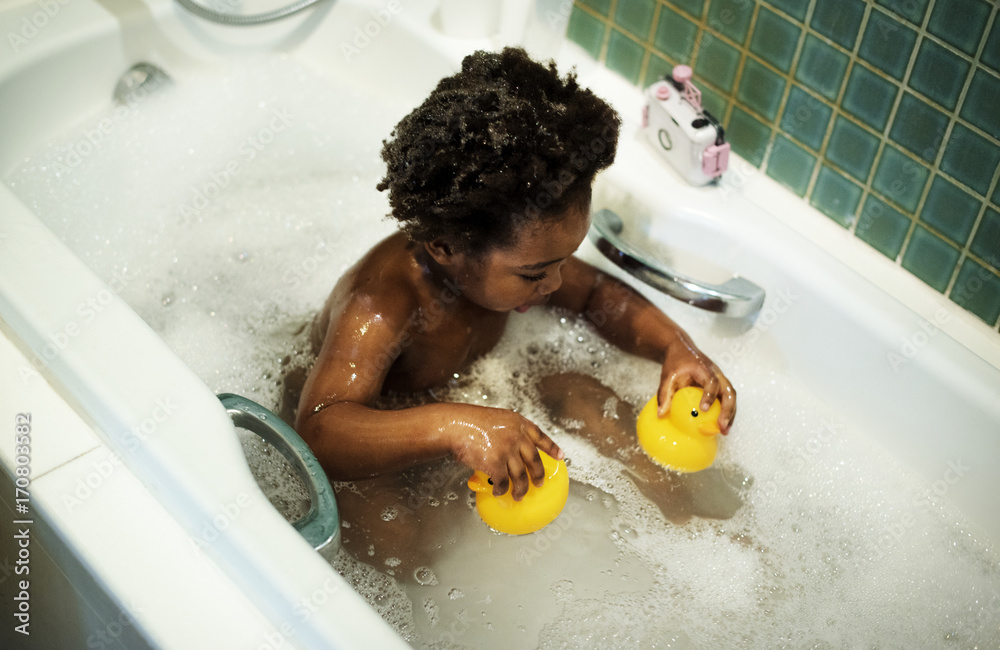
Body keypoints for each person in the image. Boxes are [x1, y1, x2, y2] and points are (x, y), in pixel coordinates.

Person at [295, 47, 736, 506]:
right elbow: (321, 430)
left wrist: (674, 347)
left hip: (469, 395)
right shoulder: (384, 302)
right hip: (371, 434)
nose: (556, 284)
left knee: (583, 395)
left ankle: (665, 500)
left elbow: (595, 297)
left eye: (564, 262)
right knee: (400, 541)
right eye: (535, 275)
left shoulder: (518, 260)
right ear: (446, 247)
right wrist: (456, 427)